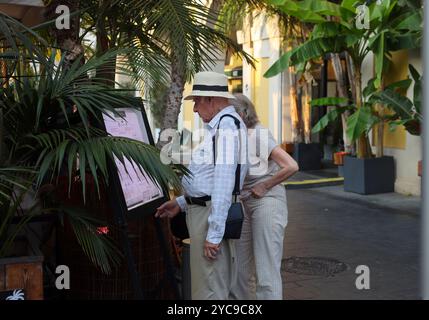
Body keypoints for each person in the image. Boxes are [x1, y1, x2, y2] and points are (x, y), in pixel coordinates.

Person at [155, 71, 248, 300]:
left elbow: (224, 183)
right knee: (210, 286)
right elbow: (208, 179)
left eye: (197, 101)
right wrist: (181, 202)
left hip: (210, 218)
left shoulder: (226, 127)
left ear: (211, 99)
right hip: (206, 214)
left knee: (209, 291)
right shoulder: (222, 126)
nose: (195, 109)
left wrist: (214, 234)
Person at [230, 93, 299, 300]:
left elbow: (292, 166)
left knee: (266, 270)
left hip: (266, 202)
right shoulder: (234, 137)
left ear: (243, 113)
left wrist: (265, 185)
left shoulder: (257, 135)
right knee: (240, 271)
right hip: (244, 204)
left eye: (230, 114)